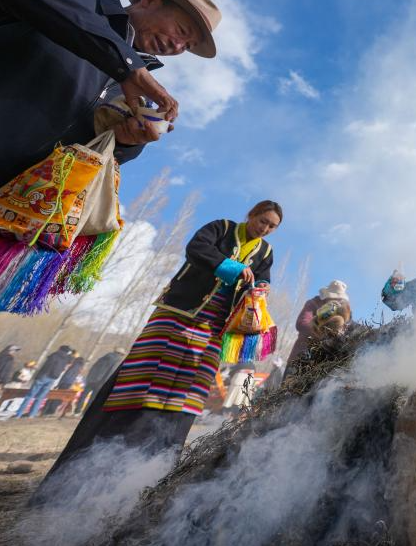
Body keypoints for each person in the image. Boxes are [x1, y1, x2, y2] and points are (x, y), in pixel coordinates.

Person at [0, 0, 223, 339]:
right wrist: (123, 62)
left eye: (188, 45)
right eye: (182, 31)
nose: (179, 47)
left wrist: (126, 141)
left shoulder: (126, 86)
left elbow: (81, 160)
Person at [37, 201, 281, 497]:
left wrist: (261, 287)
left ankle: (156, 466)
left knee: (189, 389)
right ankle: (103, 454)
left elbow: (264, 278)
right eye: (262, 220)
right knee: (145, 374)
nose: (264, 228)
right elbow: (197, 248)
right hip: (179, 311)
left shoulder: (265, 252)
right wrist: (232, 267)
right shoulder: (222, 228)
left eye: (271, 226)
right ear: (251, 215)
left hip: (216, 326)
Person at [287, 280, 353, 364]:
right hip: (300, 356)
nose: (336, 300)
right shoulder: (313, 303)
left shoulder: (342, 312)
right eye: (334, 297)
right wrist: (321, 331)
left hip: (320, 361)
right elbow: (302, 323)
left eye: (339, 299)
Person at [15, 345, 74, 418]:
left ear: (60, 349)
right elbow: (67, 364)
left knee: (30, 395)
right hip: (53, 378)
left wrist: (38, 376)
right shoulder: (66, 359)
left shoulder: (54, 355)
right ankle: (31, 415)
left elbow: (46, 366)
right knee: (40, 397)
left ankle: (19, 414)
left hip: (44, 376)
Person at [74, 348, 126, 414]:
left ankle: (77, 411)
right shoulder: (118, 360)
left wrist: (90, 377)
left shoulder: (105, 356)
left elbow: (94, 366)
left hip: (92, 379)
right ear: (120, 354)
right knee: (92, 399)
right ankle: (85, 413)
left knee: (83, 395)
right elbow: (111, 372)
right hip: (101, 382)